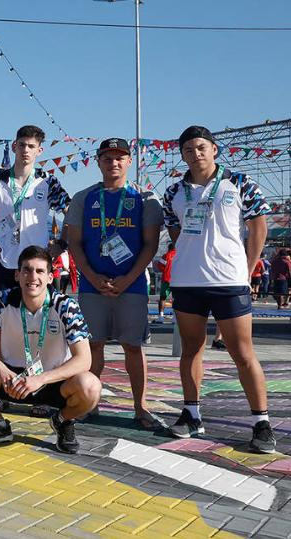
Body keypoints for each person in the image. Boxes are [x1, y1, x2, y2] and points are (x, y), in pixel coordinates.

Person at [161, 125, 275, 453]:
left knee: (242, 353)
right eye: (187, 150)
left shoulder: (240, 184)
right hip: (188, 282)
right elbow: (175, 231)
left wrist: (247, 268)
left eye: (200, 148)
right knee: (191, 350)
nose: (195, 154)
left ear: (214, 149)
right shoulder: (174, 192)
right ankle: (191, 413)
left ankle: (261, 422)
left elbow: (259, 229)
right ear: (181, 154)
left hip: (229, 282)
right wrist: (192, 258)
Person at [65, 138, 164, 430]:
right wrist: (92, 277)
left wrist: (127, 279)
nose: (114, 163)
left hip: (131, 286)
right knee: (92, 346)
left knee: (133, 347)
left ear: (129, 161)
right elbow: (75, 243)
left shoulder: (144, 198)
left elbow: (150, 245)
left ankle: (140, 407)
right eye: (107, 158)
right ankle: (89, 404)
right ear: (98, 162)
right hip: (92, 285)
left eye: (120, 158)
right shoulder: (84, 197)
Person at [0, 246, 100, 454]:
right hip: (10, 380)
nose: (32, 276)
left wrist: (41, 379)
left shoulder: (66, 306)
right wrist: (1, 369)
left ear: (51, 277)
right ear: (17, 275)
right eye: (26, 270)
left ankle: (62, 420)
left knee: (91, 386)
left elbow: (84, 360)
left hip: (52, 382)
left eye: (39, 271)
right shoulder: (3, 300)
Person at [0, 125, 70, 296]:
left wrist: (61, 245)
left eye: (31, 146)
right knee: (3, 318)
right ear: (14, 146)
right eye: (22, 145)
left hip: (37, 265)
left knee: (38, 318)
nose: (26, 150)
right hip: (6, 263)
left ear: (39, 150)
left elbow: (71, 213)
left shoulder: (47, 182)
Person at [153, 243, 176, 323]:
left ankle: (161, 316)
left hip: (166, 278)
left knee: (162, 298)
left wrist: (165, 270)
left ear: (169, 248)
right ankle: (175, 318)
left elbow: (160, 266)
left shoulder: (166, 255)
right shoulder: (179, 255)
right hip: (176, 279)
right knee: (175, 298)